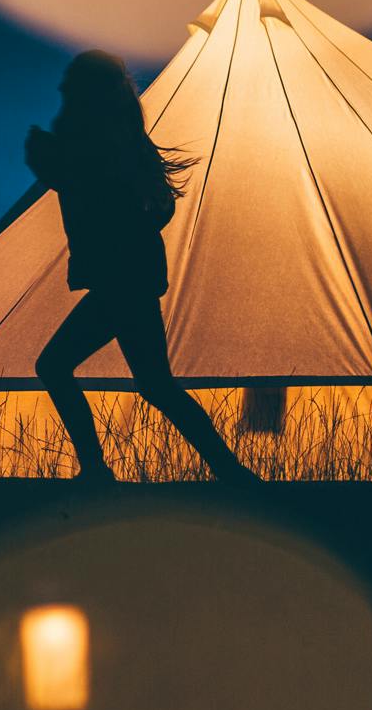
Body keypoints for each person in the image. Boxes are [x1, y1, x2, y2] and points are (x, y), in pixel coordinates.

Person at [25, 50, 259, 486]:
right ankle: (230, 472)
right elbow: (156, 207)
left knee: (56, 366)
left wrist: (44, 158)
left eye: (69, 82)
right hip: (134, 275)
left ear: (82, 90)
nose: (60, 89)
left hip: (120, 280)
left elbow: (84, 187)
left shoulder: (90, 141)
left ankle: (96, 470)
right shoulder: (121, 137)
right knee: (155, 384)